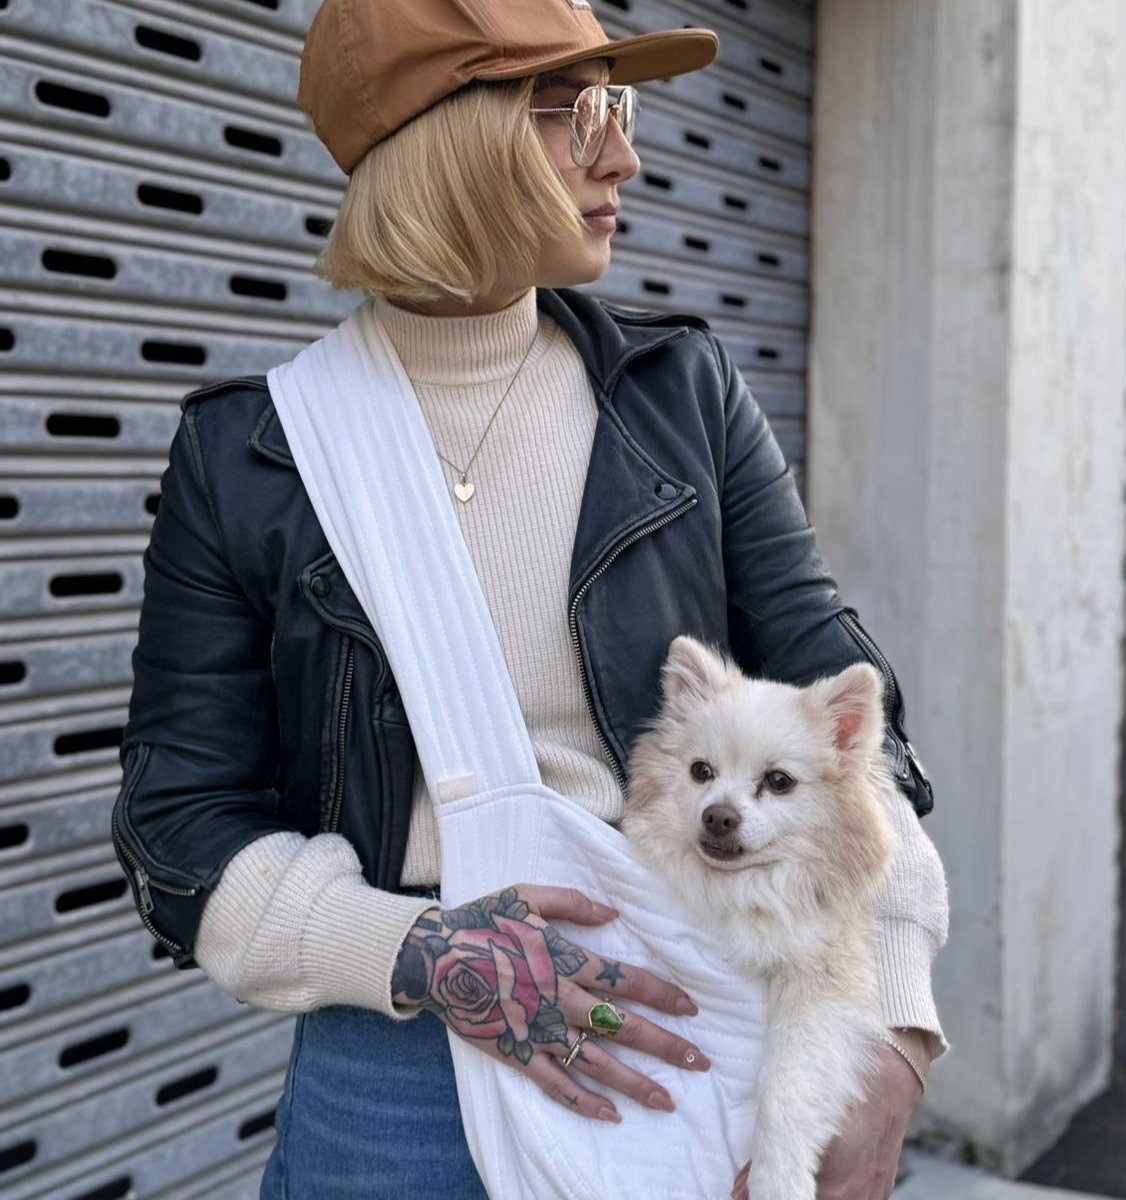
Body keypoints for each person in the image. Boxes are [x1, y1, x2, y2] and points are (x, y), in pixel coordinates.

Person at [112, 1, 951, 1197]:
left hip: (697, 1007)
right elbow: (177, 823)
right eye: (581, 113)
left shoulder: (682, 397)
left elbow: (847, 730)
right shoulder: (253, 456)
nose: (626, 155)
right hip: (392, 1059)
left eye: (625, 109)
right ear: (449, 138)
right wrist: (422, 953)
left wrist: (892, 1033)